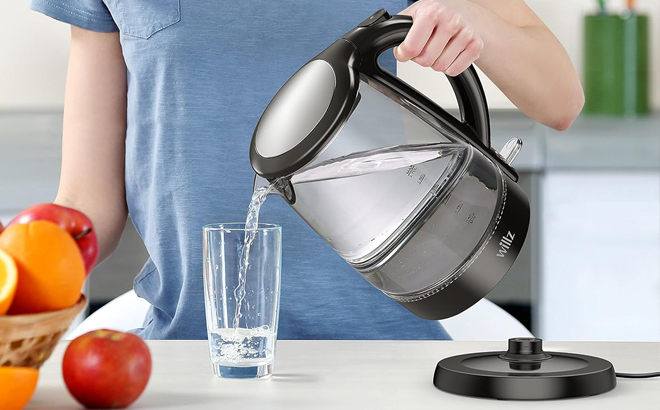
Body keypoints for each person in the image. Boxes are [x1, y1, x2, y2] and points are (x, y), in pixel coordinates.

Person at [29, 0, 583, 340]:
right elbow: (86, 202)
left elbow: (560, 99)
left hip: (381, 362)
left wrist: (470, 16)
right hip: (192, 355)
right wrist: (21, 278)